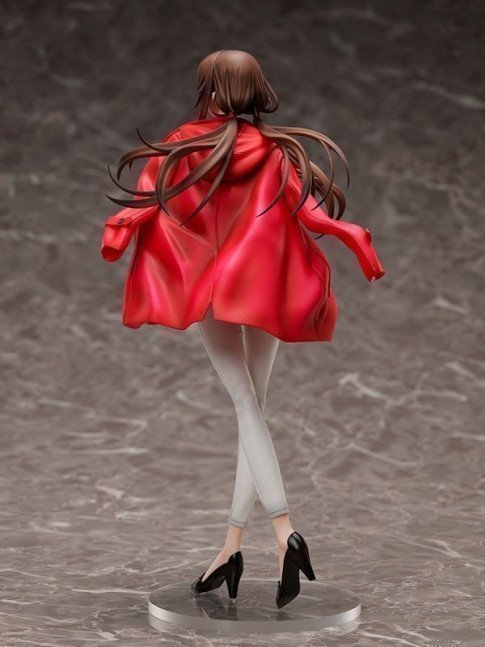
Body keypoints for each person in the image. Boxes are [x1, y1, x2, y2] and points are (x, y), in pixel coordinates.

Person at [101, 49, 385, 608]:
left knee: (245, 404)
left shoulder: (183, 145)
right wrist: (353, 236)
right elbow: (309, 214)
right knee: (255, 408)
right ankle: (231, 548)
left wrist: (117, 233)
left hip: (215, 291)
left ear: (209, 89)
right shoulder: (276, 151)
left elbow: (146, 204)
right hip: (267, 286)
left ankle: (284, 532)